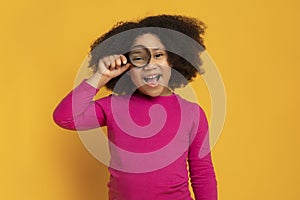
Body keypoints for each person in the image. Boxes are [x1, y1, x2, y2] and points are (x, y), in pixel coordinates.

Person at [53, 14, 218, 200]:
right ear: (127, 67)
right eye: (139, 58)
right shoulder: (113, 106)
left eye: (158, 55)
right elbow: (65, 117)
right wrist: (100, 77)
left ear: (172, 61)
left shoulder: (192, 113)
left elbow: (202, 173)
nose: (150, 65)